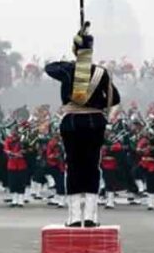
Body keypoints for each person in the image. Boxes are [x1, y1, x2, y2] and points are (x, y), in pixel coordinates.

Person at [45, 22, 121, 227]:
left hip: (71, 123)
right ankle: (90, 215)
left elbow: (49, 67)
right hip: (95, 122)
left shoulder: (68, 70)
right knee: (92, 166)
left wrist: (77, 45)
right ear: (91, 50)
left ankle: (73, 217)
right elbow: (115, 100)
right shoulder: (100, 73)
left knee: (74, 165)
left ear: (75, 49)